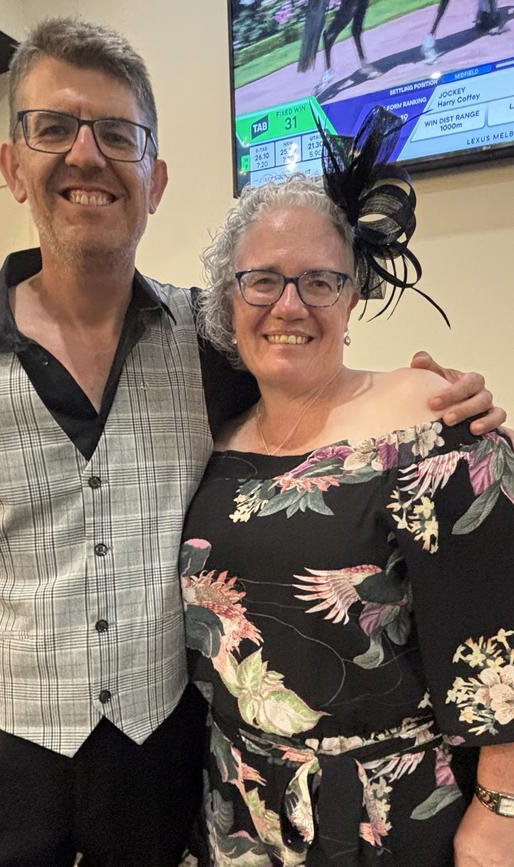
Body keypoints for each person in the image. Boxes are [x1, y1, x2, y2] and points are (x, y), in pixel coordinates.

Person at [0, 19, 504, 867]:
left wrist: (440, 397)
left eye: (117, 134)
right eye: (53, 127)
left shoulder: (210, 356)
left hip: (165, 775)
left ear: (154, 177)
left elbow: (320, 402)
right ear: (12, 165)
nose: (86, 155)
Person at [180, 109, 514, 865]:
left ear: (353, 297)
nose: (289, 304)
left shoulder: (433, 419)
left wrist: (501, 810)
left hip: (388, 817)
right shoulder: (216, 438)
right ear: (228, 304)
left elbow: (500, 631)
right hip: (235, 801)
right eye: (262, 280)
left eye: (320, 281)